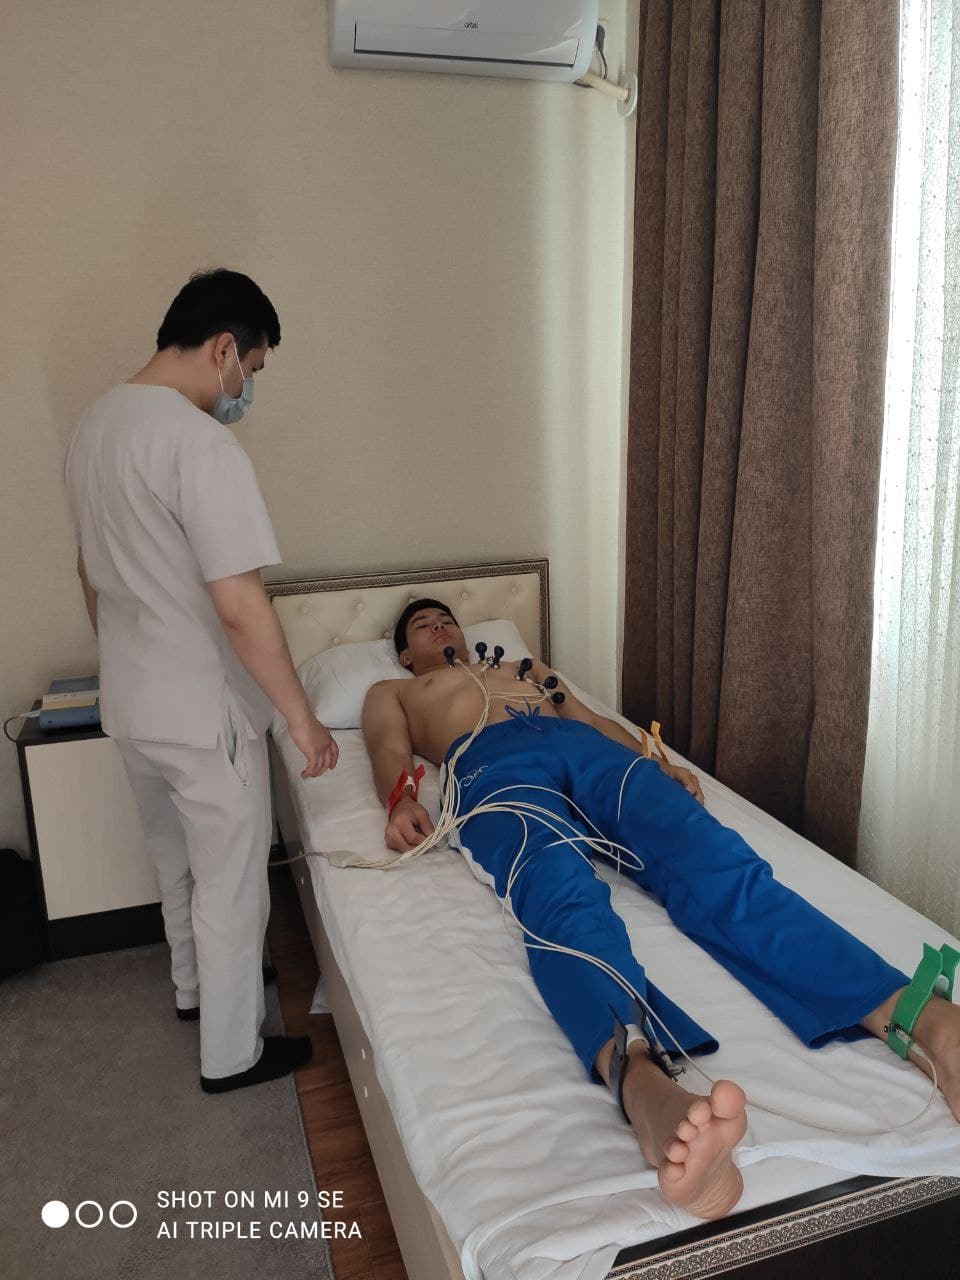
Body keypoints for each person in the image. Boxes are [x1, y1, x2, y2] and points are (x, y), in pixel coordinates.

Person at [362, 599, 960, 1220]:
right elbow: (386, 750)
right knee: (557, 886)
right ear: (405, 653)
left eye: (446, 618)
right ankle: (643, 1084)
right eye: (422, 625)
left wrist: (658, 762)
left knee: (714, 859)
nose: (439, 626)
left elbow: (590, 719)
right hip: (490, 764)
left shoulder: (524, 667)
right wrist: (400, 800)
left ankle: (924, 1019)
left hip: (587, 752)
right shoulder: (394, 691)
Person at [65, 269, 338, 1094]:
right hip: (201, 709)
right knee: (230, 884)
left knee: (174, 862)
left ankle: (193, 991)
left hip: (131, 699)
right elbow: (241, 607)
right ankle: (232, 1055)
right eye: (250, 369)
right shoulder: (199, 444)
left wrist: (127, 658)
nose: (244, 388)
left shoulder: (93, 426)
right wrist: (301, 719)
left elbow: (88, 573)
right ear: (224, 348)